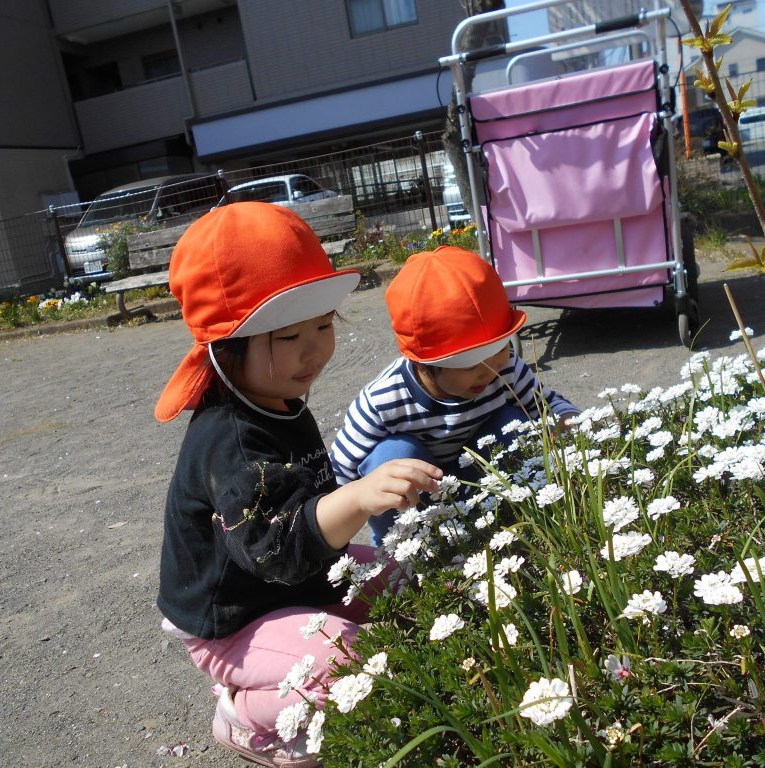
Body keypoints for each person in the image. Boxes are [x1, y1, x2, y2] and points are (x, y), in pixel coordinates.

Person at [153, 202, 443, 766]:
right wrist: (358, 496)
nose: (315, 349)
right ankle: (245, 717)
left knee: (410, 585)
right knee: (344, 662)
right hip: (235, 618)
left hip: (292, 586)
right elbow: (276, 552)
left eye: (324, 324)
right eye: (289, 336)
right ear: (224, 345)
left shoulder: (278, 399)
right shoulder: (229, 440)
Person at [330, 245, 580, 546]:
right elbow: (339, 478)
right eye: (471, 363)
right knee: (392, 456)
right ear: (425, 362)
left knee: (515, 423)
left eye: (501, 350)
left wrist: (569, 422)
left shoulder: (505, 371)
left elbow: (547, 405)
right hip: (417, 507)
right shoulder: (382, 401)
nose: (489, 372)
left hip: (482, 487)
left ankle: (511, 521)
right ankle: (402, 552)